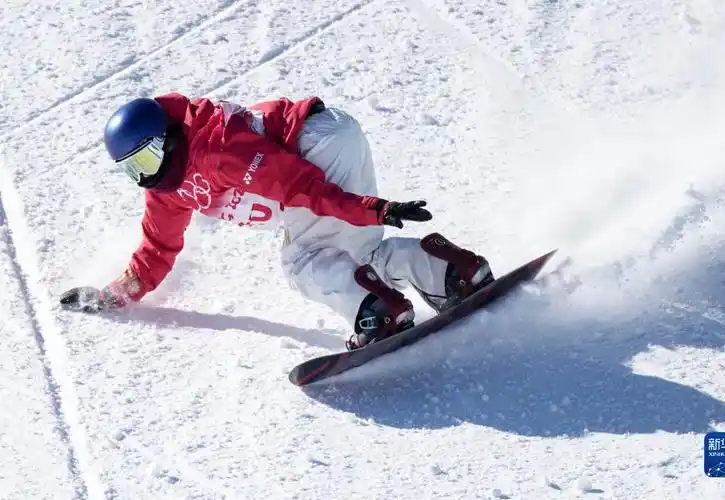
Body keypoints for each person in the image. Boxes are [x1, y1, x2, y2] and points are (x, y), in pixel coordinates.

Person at [59, 93, 494, 350]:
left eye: (149, 157)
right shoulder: (165, 190)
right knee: (360, 253)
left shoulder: (215, 150)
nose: (146, 175)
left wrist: (373, 208)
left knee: (303, 263)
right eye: (132, 168)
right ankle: (452, 272)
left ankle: (378, 312)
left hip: (318, 146)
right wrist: (113, 295)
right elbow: (156, 250)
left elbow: (299, 187)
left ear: (169, 139)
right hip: (332, 135)